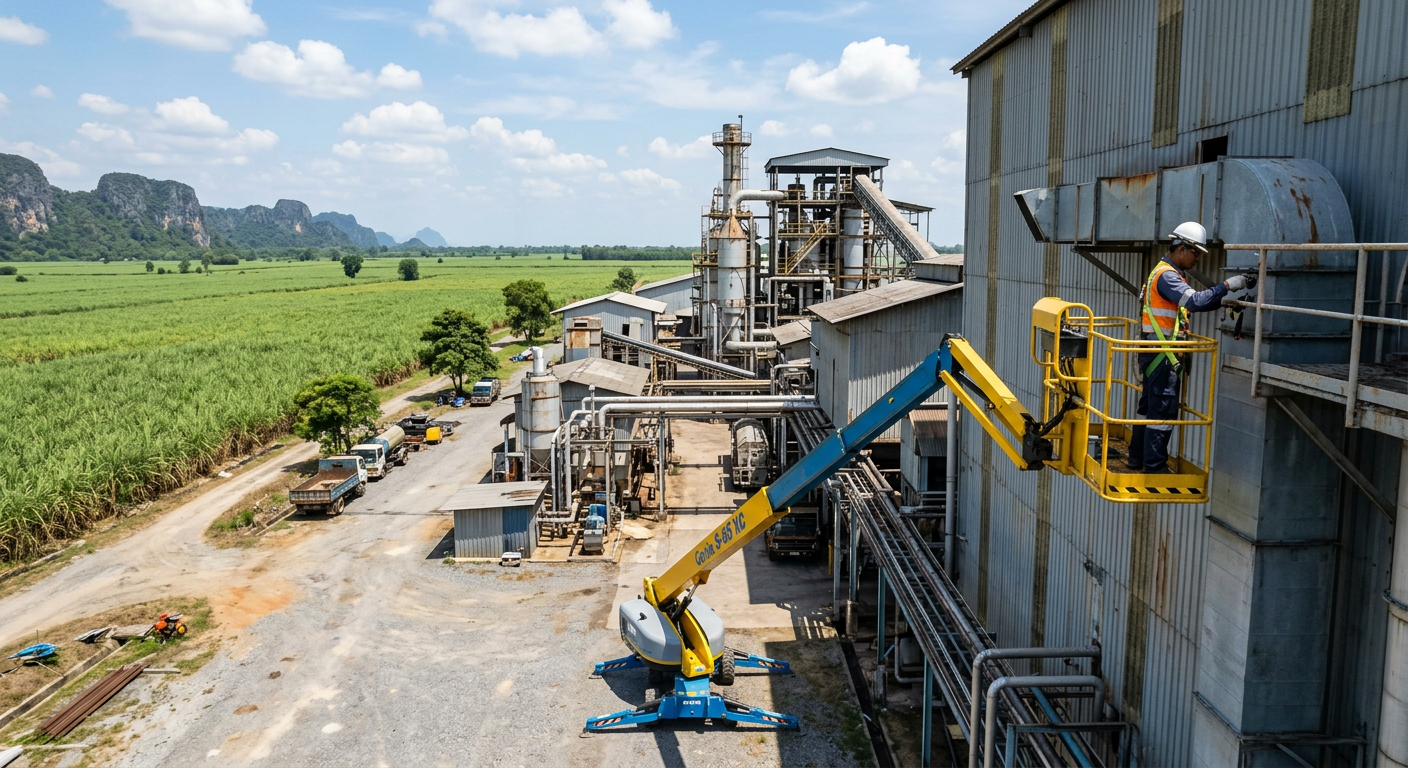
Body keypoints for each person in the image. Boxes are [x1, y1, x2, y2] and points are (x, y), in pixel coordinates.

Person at [1127, 222, 1255, 474]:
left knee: (1149, 408)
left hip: (1155, 351)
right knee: (1162, 409)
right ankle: (1154, 466)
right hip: (1162, 353)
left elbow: (1194, 303)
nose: (1197, 258)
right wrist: (1229, 285)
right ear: (1181, 249)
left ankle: (1137, 458)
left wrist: (1224, 301)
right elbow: (1195, 302)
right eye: (1195, 252)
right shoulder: (1168, 276)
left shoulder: (1163, 272)